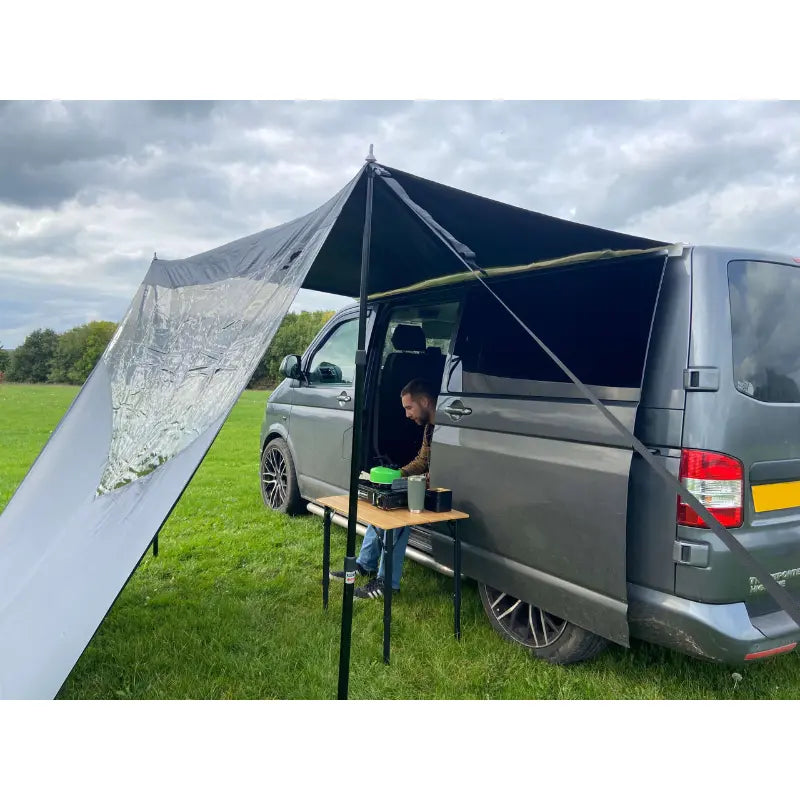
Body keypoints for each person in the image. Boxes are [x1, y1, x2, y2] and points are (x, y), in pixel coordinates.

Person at [330, 378, 437, 599]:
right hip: (426, 484)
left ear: (425, 401)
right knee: (385, 502)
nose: (407, 414)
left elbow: (450, 467)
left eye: (409, 407)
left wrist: (425, 479)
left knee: (396, 514)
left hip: (444, 491)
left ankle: (387, 583)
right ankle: (365, 565)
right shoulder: (430, 428)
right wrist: (398, 475)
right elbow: (423, 460)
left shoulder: (449, 427)